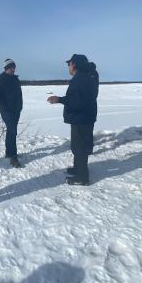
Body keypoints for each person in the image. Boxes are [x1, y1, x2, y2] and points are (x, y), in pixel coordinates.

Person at [47, 54, 97, 185]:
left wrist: (59, 99)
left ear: (74, 64)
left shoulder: (81, 78)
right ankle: (78, 169)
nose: (68, 67)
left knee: (79, 147)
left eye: (69, 64)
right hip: (84, 117)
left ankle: (82, 177)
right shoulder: (87, 76)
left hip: (81, 117)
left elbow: (78, 101)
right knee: (78, 146)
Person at [0, 58, 23, 168]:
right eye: (11, 67)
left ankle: (8, 152)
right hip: (6, 111)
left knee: (12, 131)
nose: (13, 69)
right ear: (6, 68)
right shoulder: (0, 80)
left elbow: (19, 95)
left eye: (14, 67)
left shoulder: (15, 80)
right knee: (12, 130)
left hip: (16, 110)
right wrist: (5, 108)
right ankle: (13, 156)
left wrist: (20, 107)